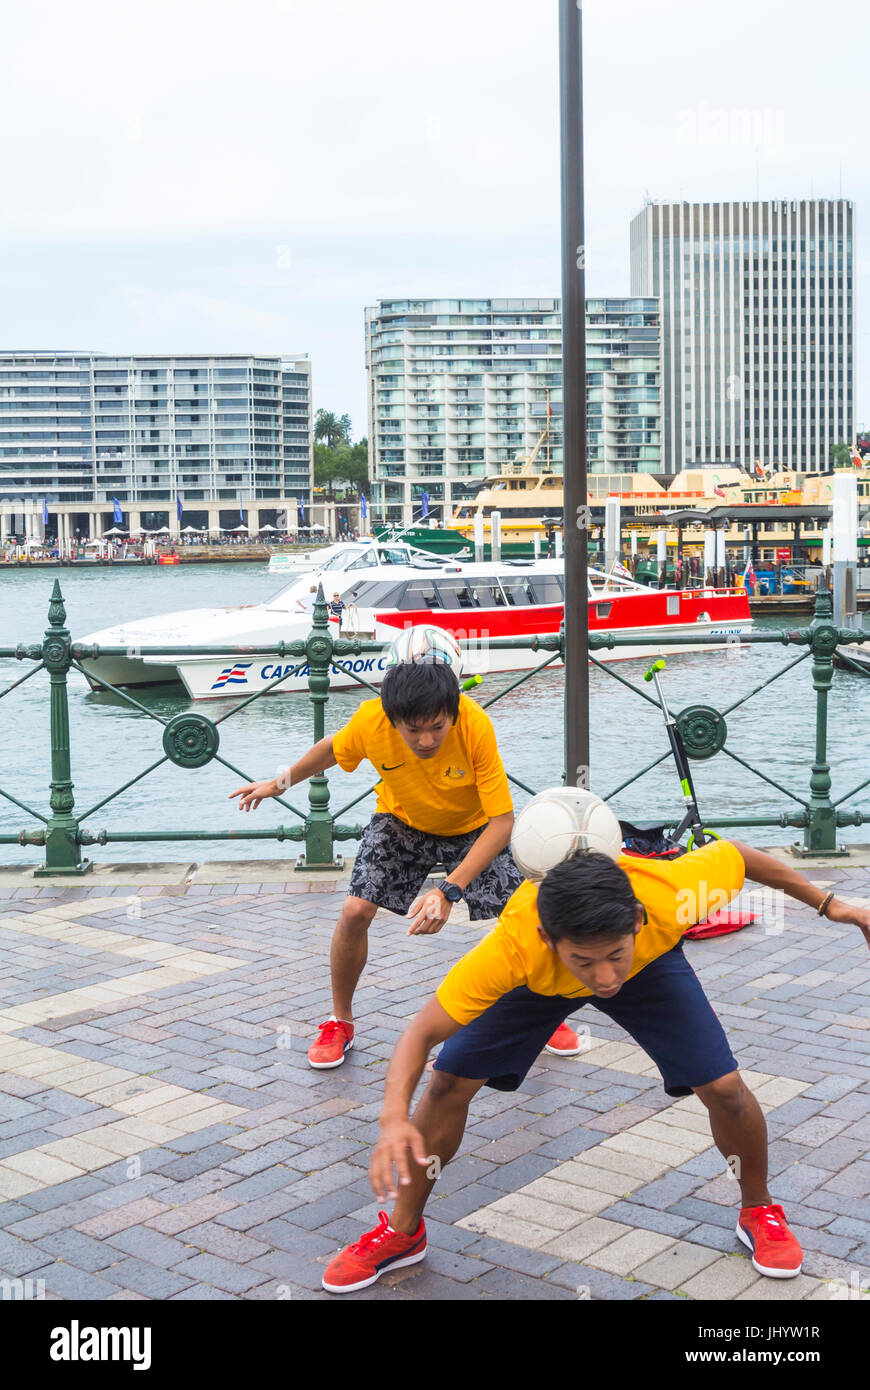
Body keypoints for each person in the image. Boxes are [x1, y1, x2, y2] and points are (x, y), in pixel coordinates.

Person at [320, 834, 870, 1293]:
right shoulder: (515, 947)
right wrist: (393, 1117)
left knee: (725, 1088)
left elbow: (739, 855)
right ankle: (401, 1232)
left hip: (651, 965)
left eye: (612, 955)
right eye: (587, 960)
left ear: (634, 919)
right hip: (540, 982)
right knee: (446, 1083)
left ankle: (759, 1210)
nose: (604, 977)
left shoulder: (670, 894)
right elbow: (419, 1034)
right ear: (547, 937)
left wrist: (831, 905)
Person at [229, 661, 580, 1069]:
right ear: (392, 718)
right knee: (355, 910)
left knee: (525, 912)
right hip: (401, 821)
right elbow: (330, 749)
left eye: (437, 727)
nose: (427, 740)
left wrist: (450, 889)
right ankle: (339, 1021)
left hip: (472, 826)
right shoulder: (370, 722)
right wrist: (278, 784)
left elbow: (502, 822)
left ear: (453, 712)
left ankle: (543, 1010)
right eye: (413, 730)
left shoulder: (475, 724)